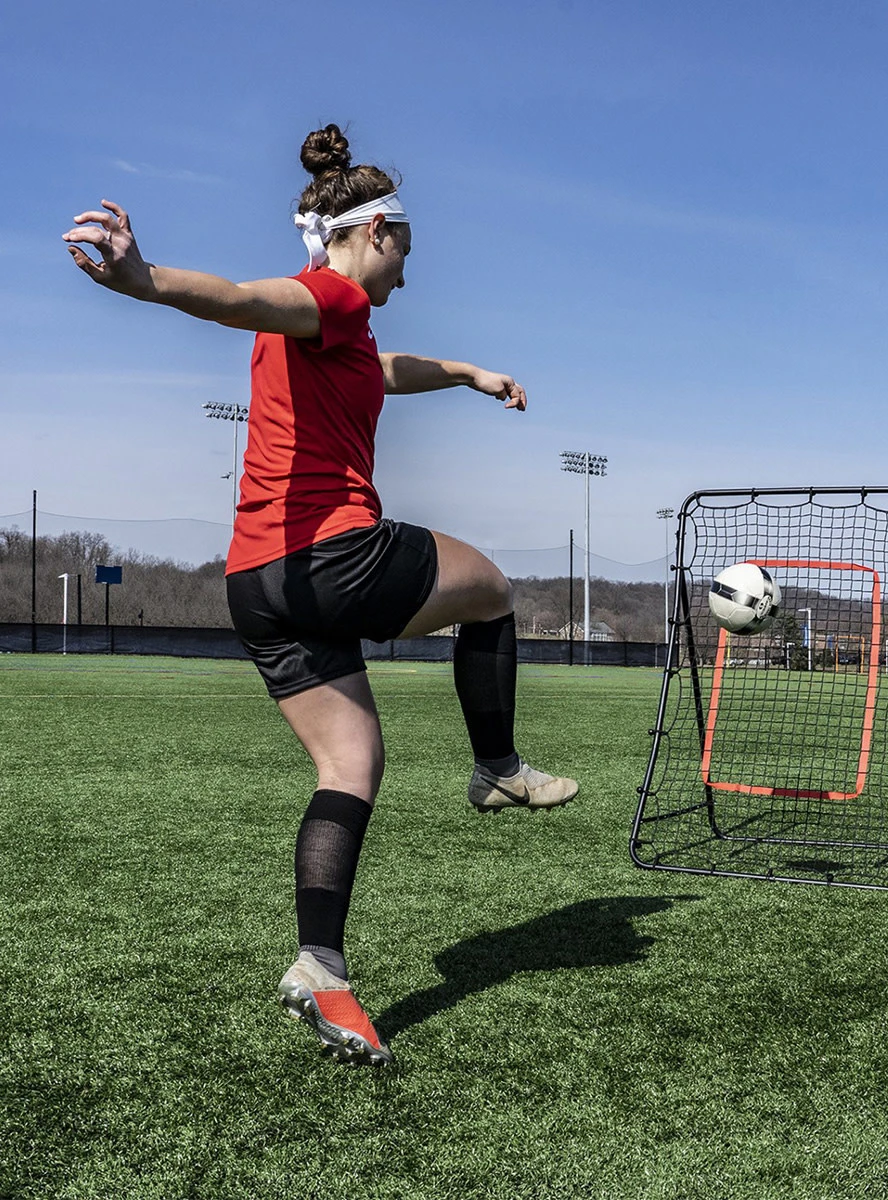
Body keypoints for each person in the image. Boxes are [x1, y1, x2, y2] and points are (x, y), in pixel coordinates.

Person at [64, 123, 577, 1068]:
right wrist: (146, 281)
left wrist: (466, 373)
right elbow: (237, 297)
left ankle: (321, 965)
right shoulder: (325, 294)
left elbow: (382, 369)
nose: (407, 274)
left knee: (351, 766)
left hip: (256, 584)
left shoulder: (330, 326)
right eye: (405, 251)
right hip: (330, 553)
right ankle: (498, 766)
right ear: (374, 231)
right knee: (493, 590)